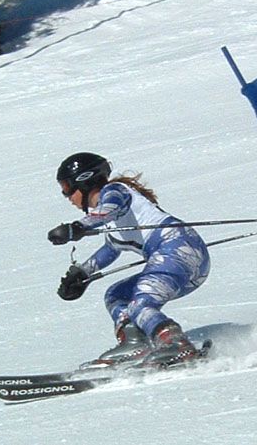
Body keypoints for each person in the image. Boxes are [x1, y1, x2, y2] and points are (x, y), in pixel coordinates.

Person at [47, 152, 211, 368]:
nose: (66, 196)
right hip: (183, 263)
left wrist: (76, 228)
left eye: (67, 188)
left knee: (140, 302)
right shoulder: (110, 217)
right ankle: (136, 343)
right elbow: (111, 248)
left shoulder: (114, 192)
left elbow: (108, 212)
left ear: (84, 181)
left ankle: (176, 345)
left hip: (179, 248)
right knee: (117, 295)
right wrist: (82, 274)